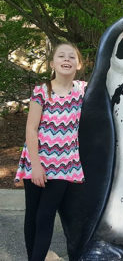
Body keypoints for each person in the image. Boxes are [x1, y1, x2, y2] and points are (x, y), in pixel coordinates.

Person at [14, 42, 86, 260]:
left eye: (71, 57)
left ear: (79, 64)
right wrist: (36, 166)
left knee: (45, 216)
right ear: (52, 63)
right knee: (32, 216)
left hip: (65, 164)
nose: (66, 59)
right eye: (61, 56)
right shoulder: (42, 90)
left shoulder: (84, 90)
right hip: (36, 161)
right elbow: (31, 128)